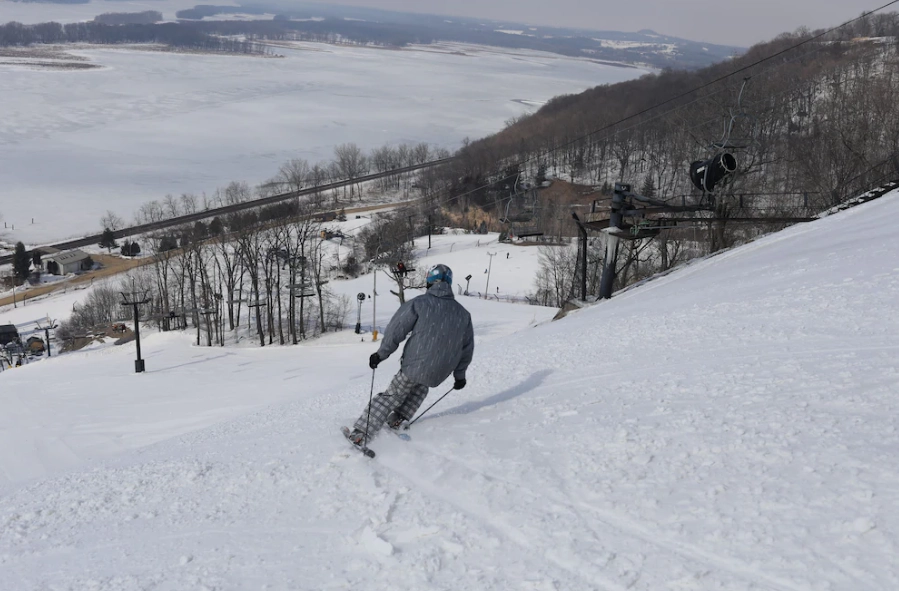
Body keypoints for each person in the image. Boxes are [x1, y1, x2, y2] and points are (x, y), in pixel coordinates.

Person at [348, 264, 474, 445]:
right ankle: (397, 420)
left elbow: (396, 330)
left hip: (415, 364)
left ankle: (361, 433)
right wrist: (459, 376)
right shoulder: (463, 314)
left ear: (429, 282)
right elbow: (467, 348)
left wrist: (381, 354)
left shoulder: (420, 303)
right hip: (439, 372)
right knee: (419, 390)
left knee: (393, 396)